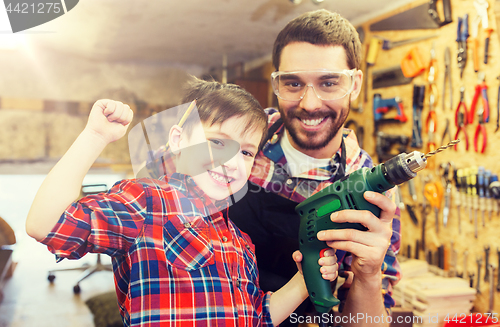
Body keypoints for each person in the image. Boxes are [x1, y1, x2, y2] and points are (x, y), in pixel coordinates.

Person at [25, 78, 339, 327]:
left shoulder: (240, 241)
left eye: (245, 152)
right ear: (178, 141)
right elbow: (45, 224)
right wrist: (95, 136)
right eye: (217, 141)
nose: (231, 161)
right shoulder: (146, 203)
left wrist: (303, 280)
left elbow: (256, 317)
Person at [228, 9, 400, 327]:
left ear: (356, 83)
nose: (309, 103)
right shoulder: (234, 136)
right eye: (293, 83)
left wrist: (369, 274)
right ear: (276, 81)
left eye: (328, 83)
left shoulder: (374, 192)